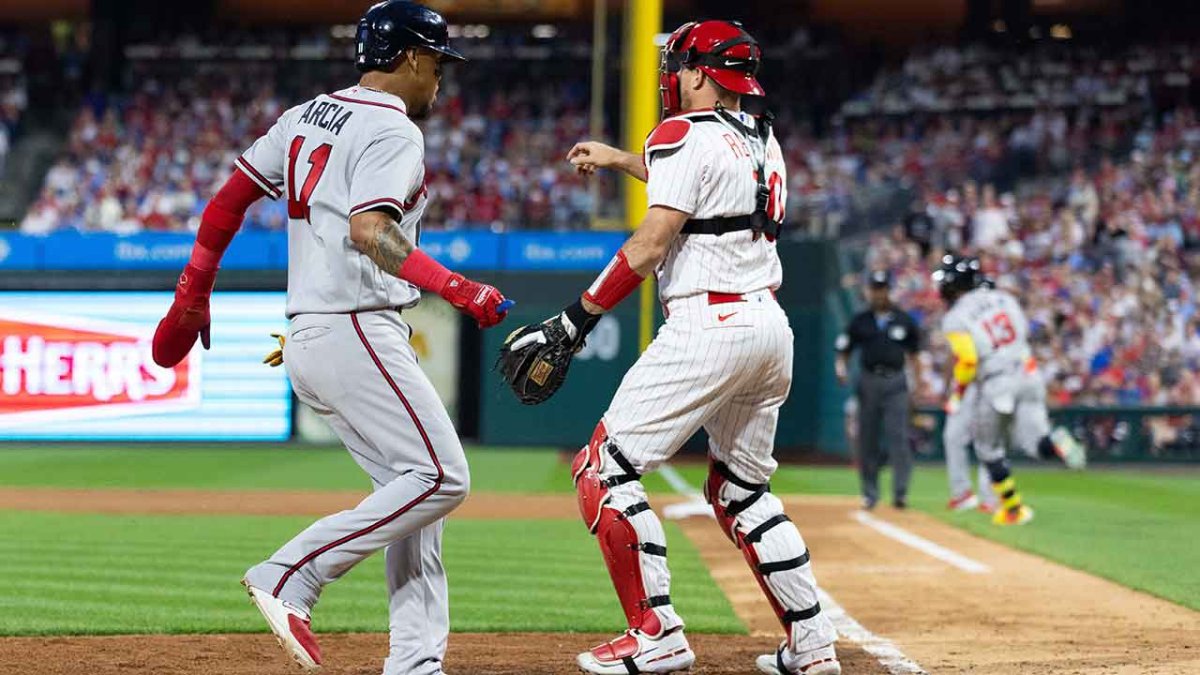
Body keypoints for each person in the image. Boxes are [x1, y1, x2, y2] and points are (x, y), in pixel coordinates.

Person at [150, 2, 512, 673]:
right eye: (436, 62)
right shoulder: (395, 130)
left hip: (310, 336)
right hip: (356, 327)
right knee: (441, 475)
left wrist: (193, 290)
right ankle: (291, 573)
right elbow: (370, 231)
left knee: (411, 497)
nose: (439, 79)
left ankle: (415, 660)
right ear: (407, 57)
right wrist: (460, 288)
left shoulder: (306, 114)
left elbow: (228, 198)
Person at [555, 19, 841, 675]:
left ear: (702, 73)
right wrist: (623, 159)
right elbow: (709, 189)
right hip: (769, 327)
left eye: (681, 65)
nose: (673, 75)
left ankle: (655, 631)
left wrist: (578, 316)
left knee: (604, 467)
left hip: (707, 324)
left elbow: (651, 244)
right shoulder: (765, 140)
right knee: (743, 490)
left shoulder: (682, 133)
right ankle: (812, 643)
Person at [934, 255, 1086, 527]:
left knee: (988, 449)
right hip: (1027, 373)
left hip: (996, 383)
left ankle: (1013, 508)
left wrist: (957, 394)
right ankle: (1056, 440)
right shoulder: (1004, 298)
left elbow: (968, 360)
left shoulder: (955, 318)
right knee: (1036, 445)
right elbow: (1022, 333)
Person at [835, 269, 923, 510]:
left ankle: (900, 493)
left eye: (882, 288)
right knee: (868, 439)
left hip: (896, 381)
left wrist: (918, 385)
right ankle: (870, 492)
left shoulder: (903, 319)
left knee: (899, 438)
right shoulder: (861, 320)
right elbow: (844, 349)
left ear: (888, 290)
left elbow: (915, 356)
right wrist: (841, 368)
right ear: (870, 291)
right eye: (875, 288)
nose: (879, 293)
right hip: (869, 380)